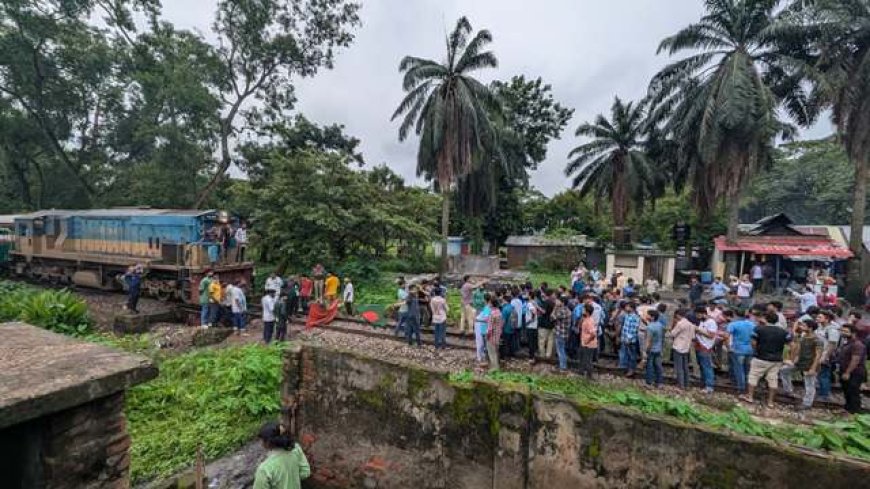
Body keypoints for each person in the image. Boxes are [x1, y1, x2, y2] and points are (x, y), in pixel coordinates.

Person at [741, 312, 790, 408]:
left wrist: (756, 350)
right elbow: (792, 344)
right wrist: (789, 357)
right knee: (773, 379)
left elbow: (753, 342)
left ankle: (750, 397)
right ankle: (770, 402)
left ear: (766, 319)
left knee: (753, 376)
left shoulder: (758, 329)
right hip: (776, 360)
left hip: (760, 357)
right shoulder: (784, 332)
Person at [779, 318, 823, 410]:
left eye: (803, 325)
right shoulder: (803, 336)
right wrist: (794, 359)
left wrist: (813, 368)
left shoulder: (817, 340)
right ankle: (788, 390)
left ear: (810, 328)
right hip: (800, 362)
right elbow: (799, 349)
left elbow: (818, 356)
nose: (801, 327)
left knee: (809, 384)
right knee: (784, 370)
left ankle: (807, 403)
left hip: (810, 364)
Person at [253, 421, 310, 489]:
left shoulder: (265, 469)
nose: (261, 443)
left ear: (268, 442)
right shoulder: (296, 448)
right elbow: (306, 472)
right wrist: (292, 479)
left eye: (262, 440)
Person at [837, 324, 867, 414]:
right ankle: (847, 408)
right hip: (845, 370)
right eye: (842, 331)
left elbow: (855, 360)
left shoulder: (857, 345)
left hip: (855, 372)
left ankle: (854, 412)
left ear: (853, 333)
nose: (843, 333)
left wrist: (847, 372)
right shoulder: (847, 343)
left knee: (853, 392)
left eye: (845, 331)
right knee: (846, 391)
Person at [726, 309, 756, 394]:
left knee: (739, 370)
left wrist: (729, 347)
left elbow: (727, 336)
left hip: (737, 350)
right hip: (750, 350)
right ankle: (748, 387)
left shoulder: (732, 324)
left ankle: (741, 388)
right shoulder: (752, 324)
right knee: (747, 370)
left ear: (735, 314)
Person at [816, 310, 841, 401]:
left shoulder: (832, 329)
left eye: (820, 317)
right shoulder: (821, 327)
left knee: (824, 374)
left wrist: (825, 356)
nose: (817, 318)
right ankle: (822, 391)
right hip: (819, 353)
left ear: (827, 319)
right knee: (820, 374)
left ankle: (824, 395)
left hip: (826, 355)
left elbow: (832, 344)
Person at [668, 309, 695, 389]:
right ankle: (686, 384)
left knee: (679, 367)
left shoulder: (680, 324)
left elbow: (672, 334)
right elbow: (693, 337)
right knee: (685, 367)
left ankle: (681, 384)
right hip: (686, 347)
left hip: (678, 346)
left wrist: (670, 331)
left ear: (678, 315)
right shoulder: (691, 324)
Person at [694, 306, 718, 394]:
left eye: (697, 314)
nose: (696, 316)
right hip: (699, 346)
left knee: (707, 367)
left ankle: (709, 386)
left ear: (702, 313)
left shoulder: (711, 322)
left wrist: (698, 330)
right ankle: (704, 383)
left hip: (705, 347)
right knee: (702, 366)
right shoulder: (702, 322)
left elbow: (711, 335)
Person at [618, 302, 641, 377]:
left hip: (630, 340)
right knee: (627, 354)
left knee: (632, 355)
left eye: (627, 306)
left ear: (632, 308)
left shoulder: (635, 317)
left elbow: (634, 329)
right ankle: (626, 368)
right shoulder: (627, 315)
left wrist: (629, 339)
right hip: (625, 339)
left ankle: (631, 370)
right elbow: (625, 327)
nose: (625, 308)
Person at [643, 309, 665, 387]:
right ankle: (659, 382)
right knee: (658, 366)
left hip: (651, 349)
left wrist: (645, 351)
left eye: (648, 315)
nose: (646, 316)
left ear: (652, 317)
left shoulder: (650, 327)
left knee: (649, 366)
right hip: (658, 349)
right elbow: (662, 337)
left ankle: (649, 382)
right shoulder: (660, 325)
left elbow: (648, 340)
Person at [552, 295, 571, 372]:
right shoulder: (568, 310)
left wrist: (555, 307)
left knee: (560, 350)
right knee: (562, 349)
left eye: (558, 301)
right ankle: (562, 365)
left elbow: (552, 317)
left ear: (562, 302)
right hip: (565, 333)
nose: (557, 302)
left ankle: (563, 367)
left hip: (560, 333)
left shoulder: (562, 311)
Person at [485, 296, 504, 371]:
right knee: (496, 351)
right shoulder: (499, 311)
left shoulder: (492, 314)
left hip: (492, 336)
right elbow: (501, 323)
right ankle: (497, 366)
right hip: (498, 334)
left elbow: (490, 328)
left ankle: (494, 367)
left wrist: (487, 336)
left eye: (489, 302)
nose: (489, 304)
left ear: (492, 304)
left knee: (491, 352)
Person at [474, 295, 492, 366]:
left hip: (481, 325)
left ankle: (481, 356)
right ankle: (480, 356)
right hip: (481, 325)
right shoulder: (488, 308)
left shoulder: (487, 308)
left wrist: (478, 319)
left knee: (481, 342)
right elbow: (486, 318)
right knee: (481, 342)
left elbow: (486, 318)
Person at [538, 290, 556, 359]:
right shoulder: (554, 303)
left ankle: (542, 354)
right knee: (550, 340)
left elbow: (544, 312)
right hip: (551, 324)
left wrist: (537, 307)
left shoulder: (546, 302)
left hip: (544, 324)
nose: (554, 295)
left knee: (542, 340)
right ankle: (548, 355)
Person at [524, 292, 540, 363]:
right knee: (533, 341)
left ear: (530, 296)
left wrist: (530, 321)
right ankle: (533, 356)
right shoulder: (535, 302)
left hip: (530, 325)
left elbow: (534, 312)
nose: (526, 295)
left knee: (530, 342)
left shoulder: (530, 303)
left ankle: (531, 357)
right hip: (534, 325)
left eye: (527, 294)